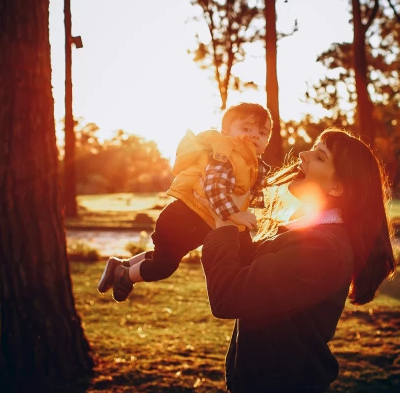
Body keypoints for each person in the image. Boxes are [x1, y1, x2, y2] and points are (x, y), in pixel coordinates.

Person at [198, 128, 396, 393]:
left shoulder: (322, 250)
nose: (302, 154)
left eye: (318, 156)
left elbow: (229, 295)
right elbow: (249, 268)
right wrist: (234, 213)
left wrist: (224, 227)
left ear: (338, 187)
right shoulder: (310, 234)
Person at [97, 102, 273, 302]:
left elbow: (250, 193)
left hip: (201, 222)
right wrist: (235, 214)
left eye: (262, 132)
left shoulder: (252, 164)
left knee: (243, 252)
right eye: (246, 128)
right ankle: (124, 275)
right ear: (226, 132)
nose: (254, 135)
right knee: (163, 267)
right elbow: (214, 187)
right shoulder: (226, 155)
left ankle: (122, 264)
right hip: (182, 219)